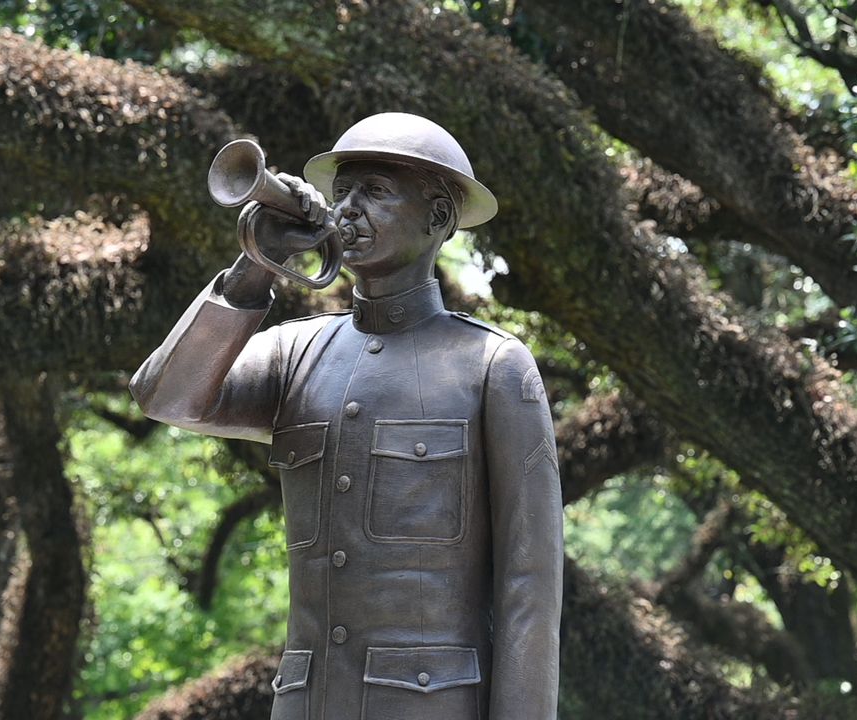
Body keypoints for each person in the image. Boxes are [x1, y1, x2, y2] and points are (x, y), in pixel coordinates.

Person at [130, 112, 562, 720]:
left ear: (438, 218)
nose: (347, 210)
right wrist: (258, 265)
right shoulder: (294, 353)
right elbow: (163, 396)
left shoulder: (492, 365)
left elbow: (529, 590)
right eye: (343, 194)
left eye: (376, 193)